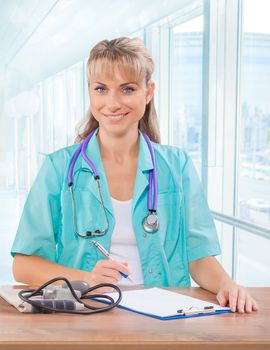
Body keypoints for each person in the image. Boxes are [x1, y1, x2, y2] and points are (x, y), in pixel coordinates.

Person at [11, 37, 258, 314]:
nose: (112, 103)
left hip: (164, 316)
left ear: (148, 92)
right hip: (86, 312)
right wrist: (86, 279)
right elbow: (23, 263)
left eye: (127, 89)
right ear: (90, 92)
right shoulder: (59, 167)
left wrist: (227, 284)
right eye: (101, 89)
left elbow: (198, 256)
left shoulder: (177, 165)